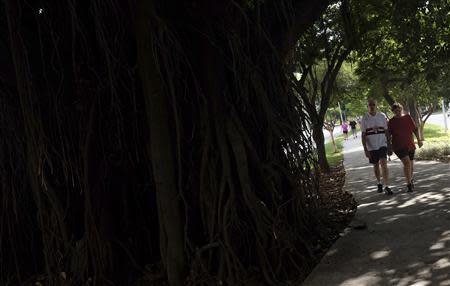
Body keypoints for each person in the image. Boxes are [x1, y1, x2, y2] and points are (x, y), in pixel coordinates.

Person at [387, 103, 423, 192]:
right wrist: (389, 147)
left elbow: (415, 129)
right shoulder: (391, 122)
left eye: (399, 110)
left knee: (410, 165)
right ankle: (409, 184)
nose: (398, 112)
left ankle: (410, 179)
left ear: (401, 109)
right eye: (395, 111)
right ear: (393, 112)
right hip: (398, 146)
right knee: (407, 163)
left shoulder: (408, 118)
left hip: (410, 144)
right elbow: (388, 135)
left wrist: (419, 140)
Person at [361, 99, 392, 195]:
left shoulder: (382, 116)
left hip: (382, 144)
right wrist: (365, 149)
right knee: (376, 165)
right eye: (370, 105)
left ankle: (387, 185)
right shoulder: (364, 118)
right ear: (367, 106)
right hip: (371, 146)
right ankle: (379, 183)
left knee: (384, 164)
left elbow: (386, 131)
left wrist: (389, 144)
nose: (372, 106)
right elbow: (363, 134)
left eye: (373, 104)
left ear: (376, 106)